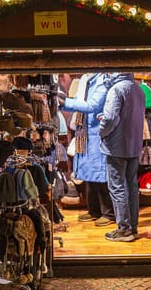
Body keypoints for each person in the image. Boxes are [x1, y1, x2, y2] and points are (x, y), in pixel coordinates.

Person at [61, 73, 115, 227]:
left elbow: (92, 105)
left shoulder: (103, 81)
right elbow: (80, 101)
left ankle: (108, 212)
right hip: (85, 131)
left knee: (100, 173)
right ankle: (94, 210)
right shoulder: (86, 80)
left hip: (97, 132)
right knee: (89, 174)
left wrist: (64, 102)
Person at [97, 72, 145, 243]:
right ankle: (132, 227)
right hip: (134, 144)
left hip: (116, 146)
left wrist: (101, 131)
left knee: (117, 187)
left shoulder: (116, 89)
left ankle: (124, 230)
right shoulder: (138, 89)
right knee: (131, 186)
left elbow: (110, 118)